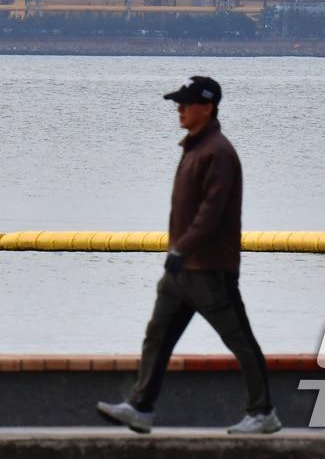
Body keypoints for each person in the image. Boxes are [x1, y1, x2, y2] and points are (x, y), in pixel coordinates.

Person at [96, 75, 280, 435]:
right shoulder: (195, 148)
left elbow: (212, 211)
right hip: (180, 272)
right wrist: (177, 253)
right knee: (157, 336)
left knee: (239, 340)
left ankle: (263, 412)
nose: (179, 109)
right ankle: (140, 407)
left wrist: (183, 247)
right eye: (177, 103)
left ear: (207, 108)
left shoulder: (218, 153)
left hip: (210, 271)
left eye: (186, 103)